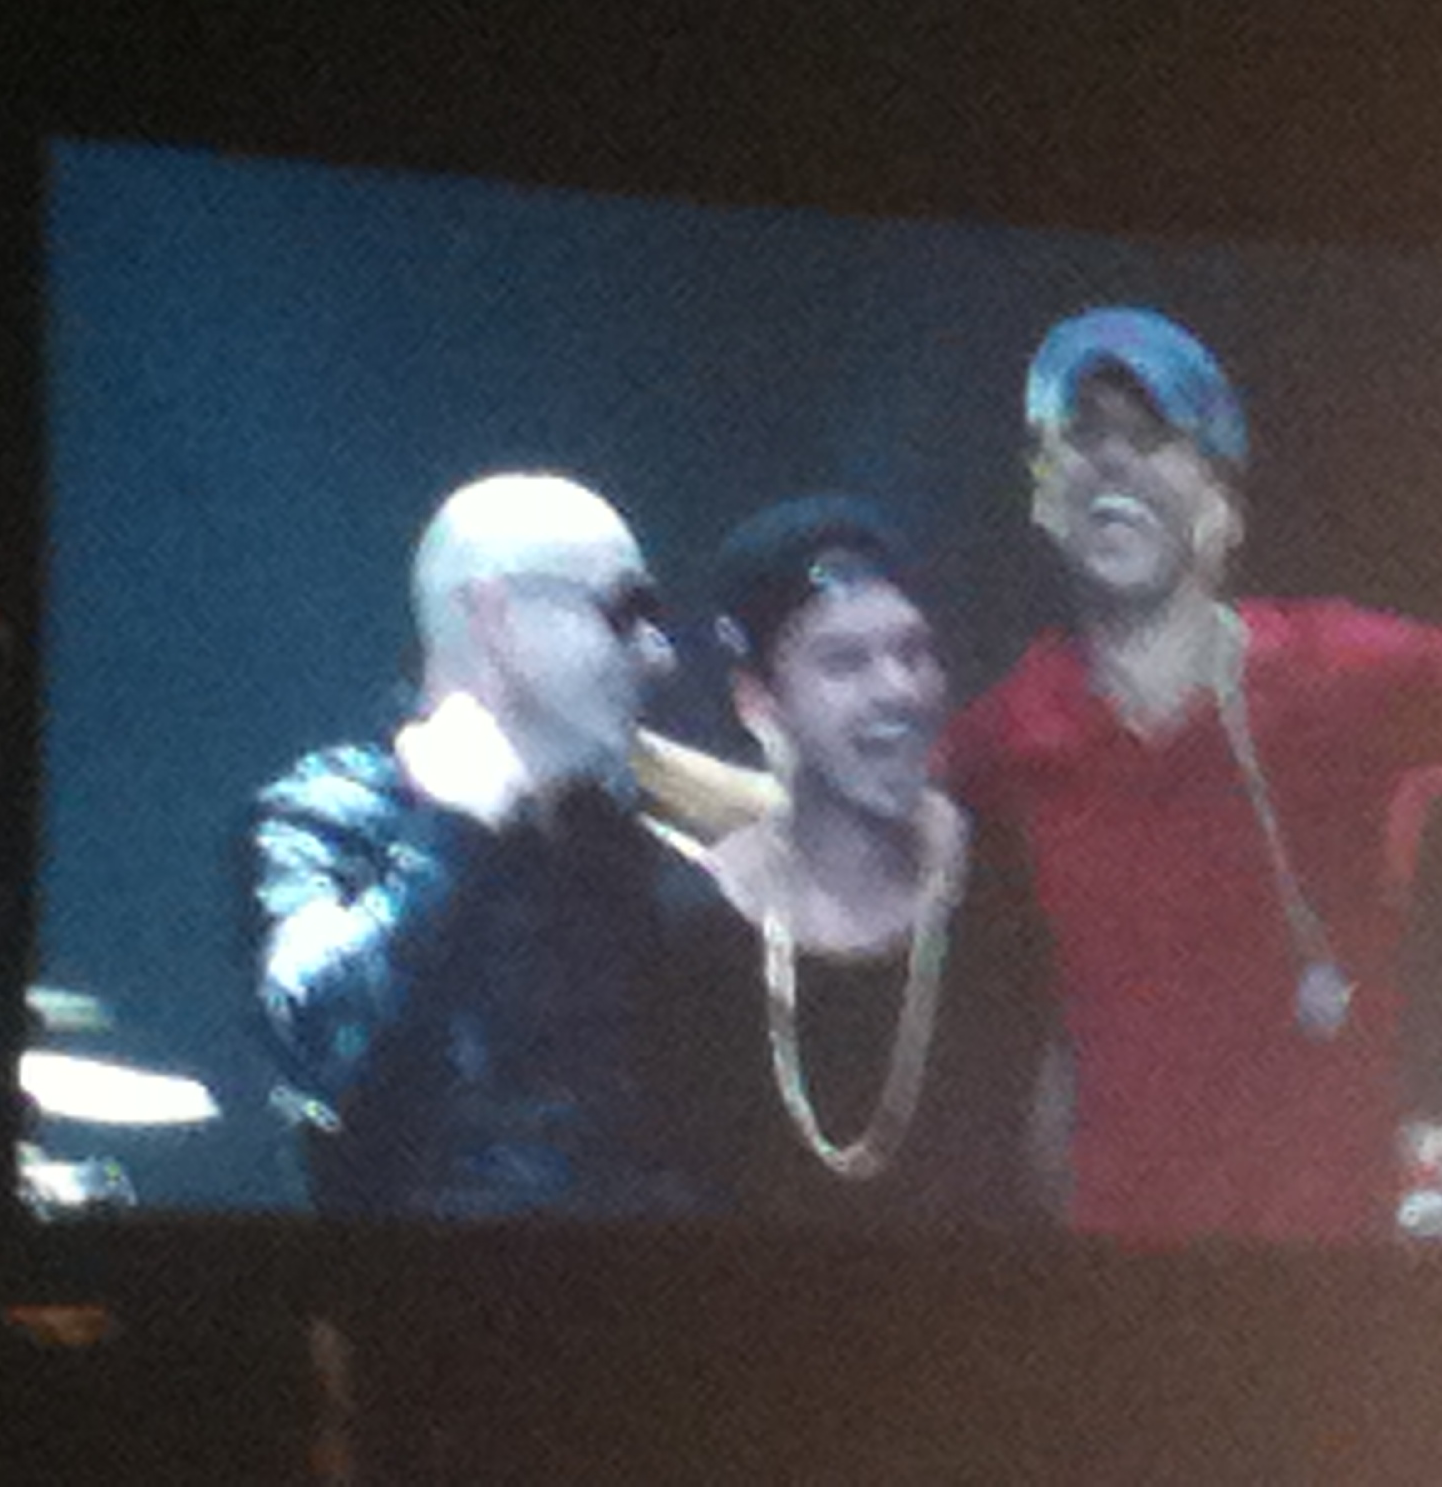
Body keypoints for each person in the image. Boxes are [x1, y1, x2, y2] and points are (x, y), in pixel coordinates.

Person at [937, 306, 1442, 1245]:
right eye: (1082, 433)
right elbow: (820, 838)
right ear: (1042, 494)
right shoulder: (1008, 731)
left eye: (1152, 435)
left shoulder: (1342, 675)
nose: (1113, 458)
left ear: (1222, 508)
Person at [249, 471, 712, 1219]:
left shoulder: (629, 845)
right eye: (625, 611)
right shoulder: (334, 811)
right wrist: (450, 836)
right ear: (495, 617)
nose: (659, 656)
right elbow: (315, 1041)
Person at [657, 497, 1063, 1232]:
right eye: (844, 663)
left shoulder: (1012, 880)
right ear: (757, 702)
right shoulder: (690, 937)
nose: (898, 690)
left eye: (913, 652)